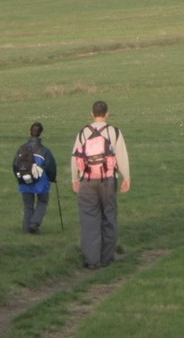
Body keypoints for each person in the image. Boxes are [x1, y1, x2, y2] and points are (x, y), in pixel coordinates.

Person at [71, 100, 130, 269]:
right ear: (107, 114)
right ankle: (107, 257)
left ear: (92, 113)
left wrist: (75, 179)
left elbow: (75, 157)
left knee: (89, 218)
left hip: (87, 180)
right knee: (109, 217)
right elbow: (121, 156)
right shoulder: (114, 132)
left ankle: (91, 260)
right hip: (108, 180)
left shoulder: (83, 133)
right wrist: (127, 177)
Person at [13, 121, 57, 234]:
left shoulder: (21, 149)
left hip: (24, 180)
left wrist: (19, 178)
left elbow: (15, 164)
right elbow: (50, 167)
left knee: (28, 205)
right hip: (40, 183)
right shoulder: (44, 151)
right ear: (41, 133)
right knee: (43, 201)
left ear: (30, 132)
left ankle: (26, 229)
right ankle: (34, 223)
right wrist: (53, 178)